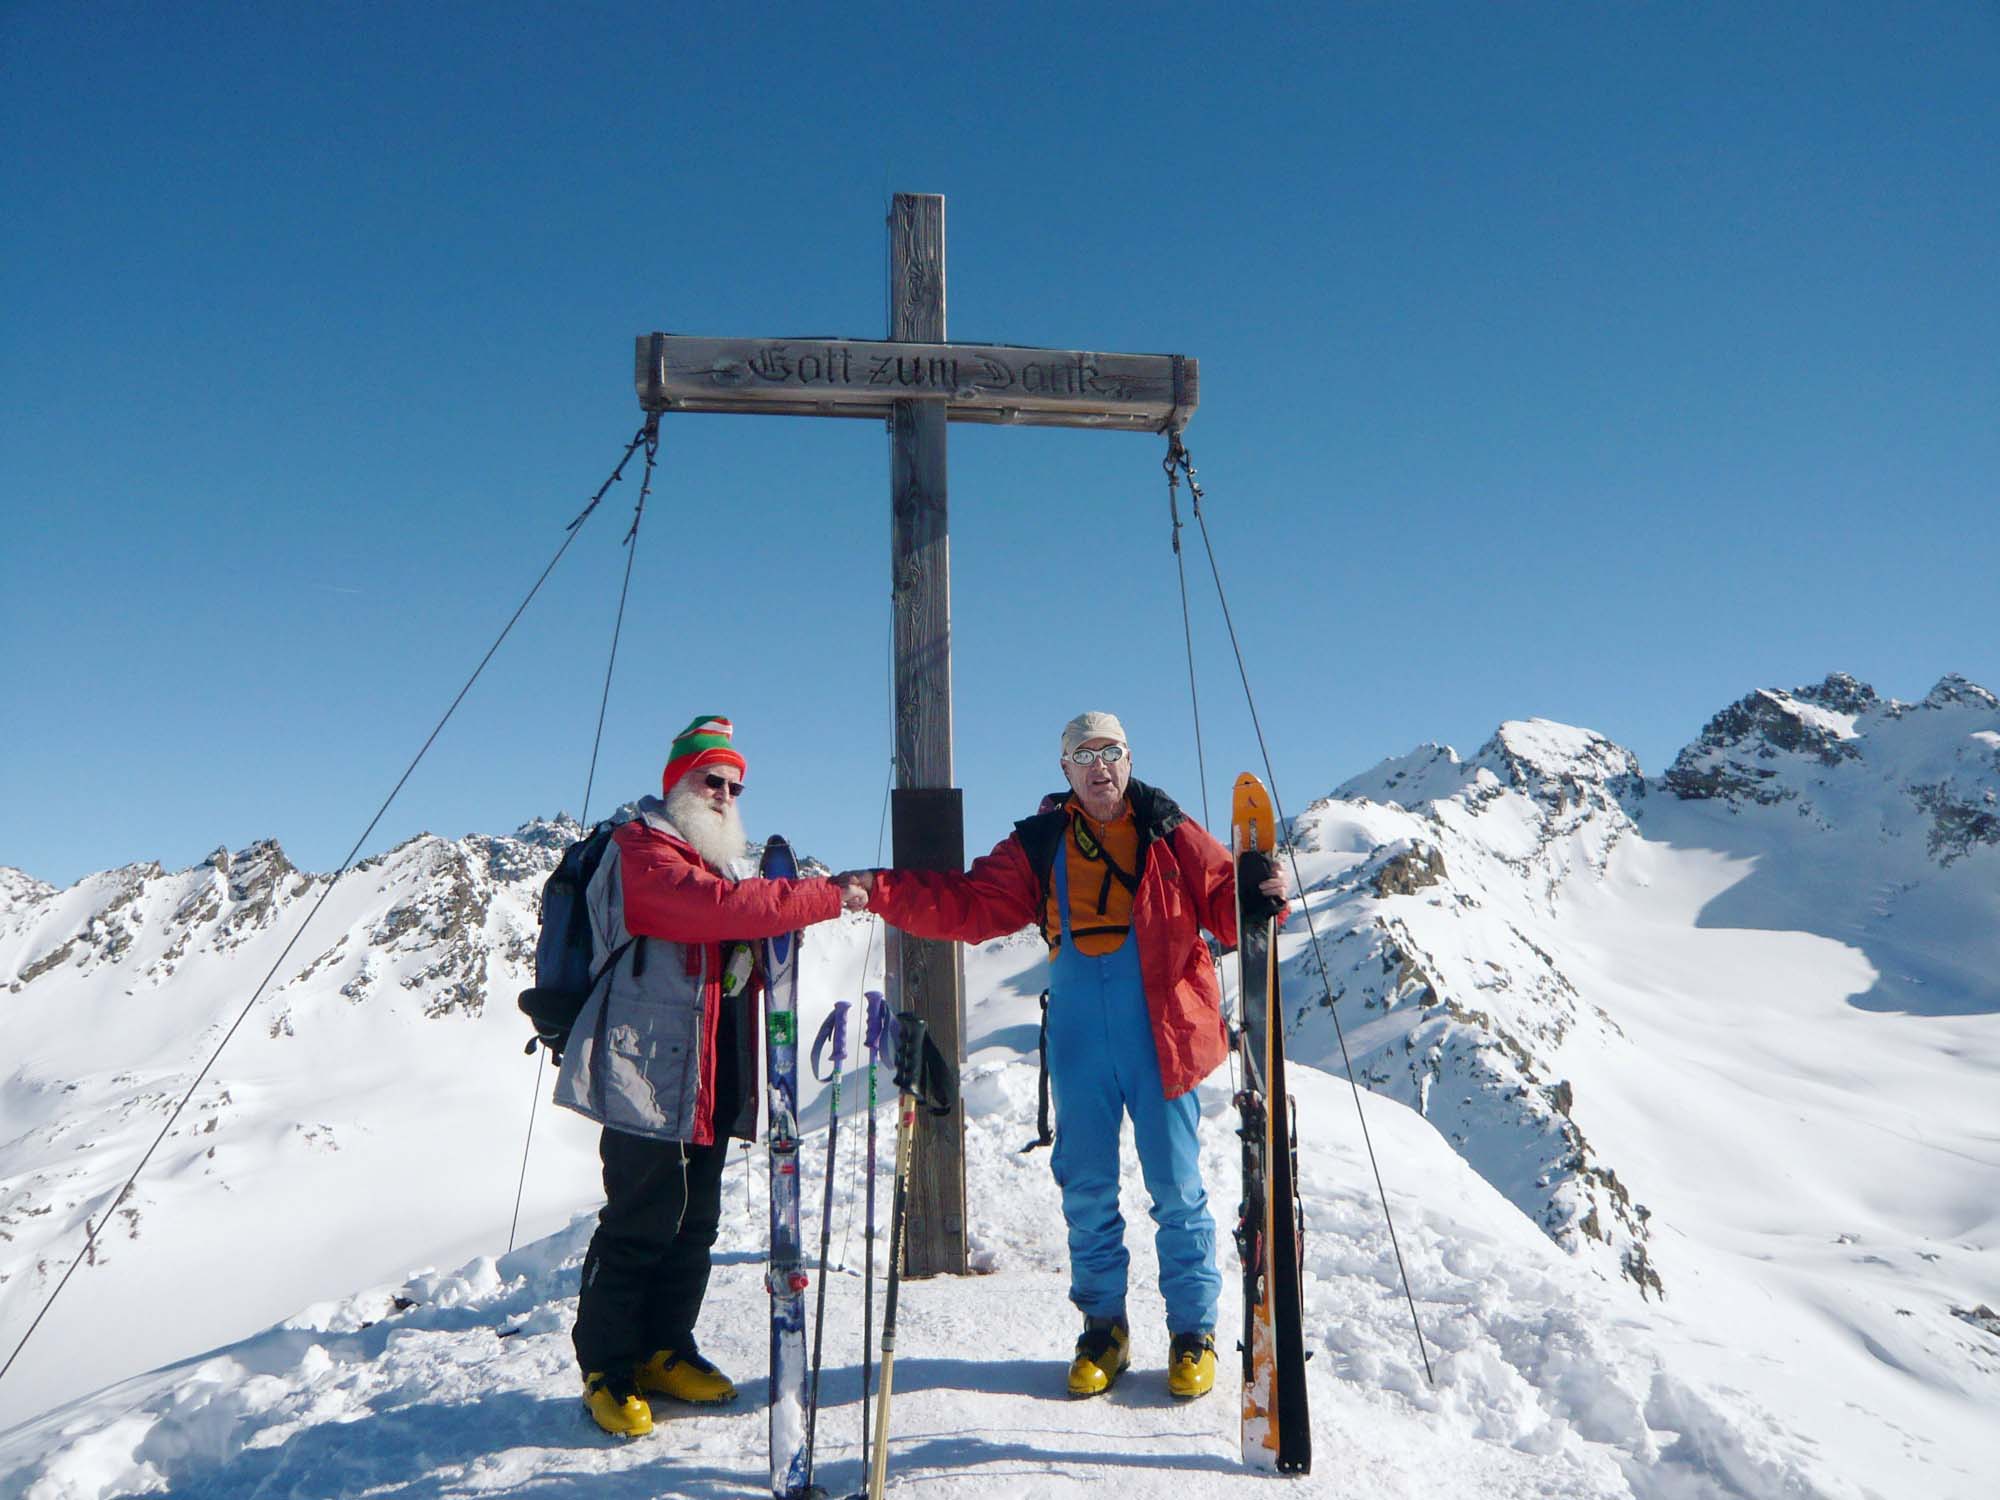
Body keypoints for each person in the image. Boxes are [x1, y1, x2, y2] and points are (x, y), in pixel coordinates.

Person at [835, 711, 1286, 1400]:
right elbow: (968, 905)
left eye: (1111, 752)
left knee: (1177, 1189)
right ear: (1066, 771)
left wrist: (1262, 892)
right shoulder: (1040, 843)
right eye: (1084, 755)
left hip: (1159, 1030)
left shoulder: (1168, 828)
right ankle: (1103, 1328)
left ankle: (1191, 1332)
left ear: (1129, 760)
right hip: (1078, 1035)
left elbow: (1227, 907)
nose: (1099, 765)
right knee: (1086, 1187)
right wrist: (883, 890)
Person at [553, 714, 867, 1437]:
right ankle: (607, 1368)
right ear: (678, 784)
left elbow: (729, 931)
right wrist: (827, 896)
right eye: (711, 780)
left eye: (734, 784)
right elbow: (712, 914)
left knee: (695, 1221)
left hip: (709, 1067)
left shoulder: (714, 859)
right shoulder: (642, 849)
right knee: (639, 1220)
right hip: (644, 1069)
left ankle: (667, 1347)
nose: (726, 794)